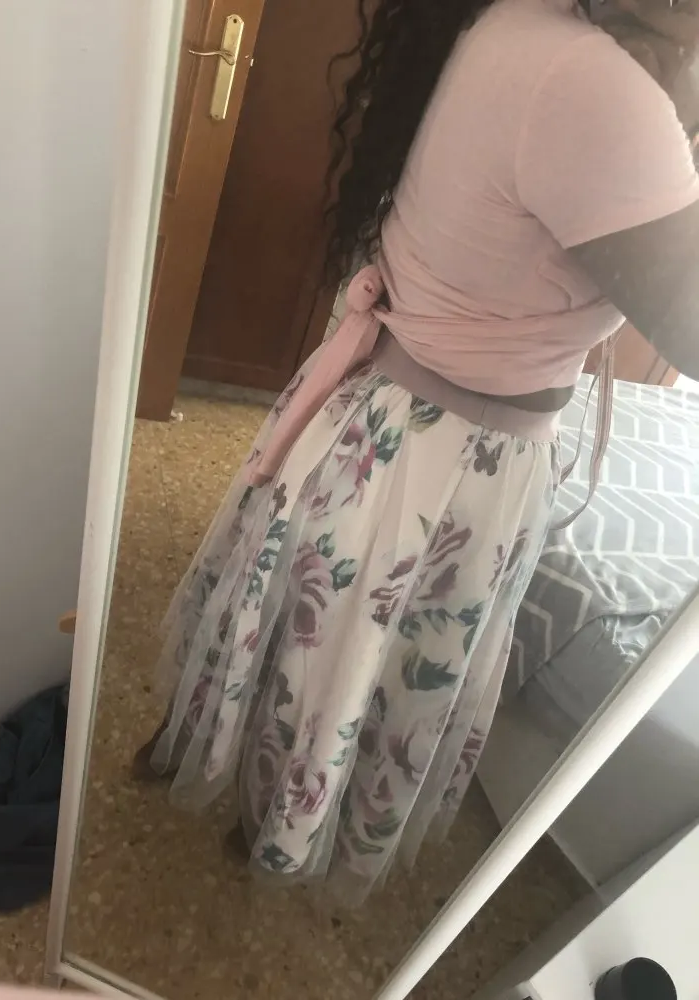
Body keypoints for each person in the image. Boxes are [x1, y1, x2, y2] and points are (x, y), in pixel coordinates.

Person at [136, 0, 699, 902]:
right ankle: (274, 826)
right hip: (450, 459)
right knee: (361, 664)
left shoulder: (517, 24)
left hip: (383, 415)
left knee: (315, 640)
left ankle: (252, 793)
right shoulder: (597, 88)